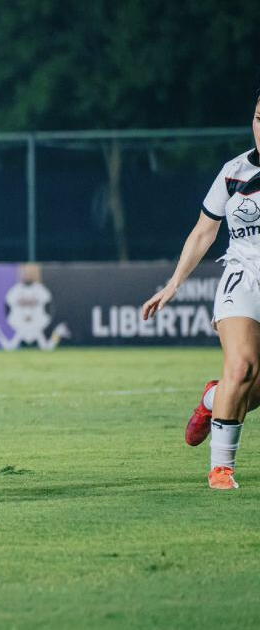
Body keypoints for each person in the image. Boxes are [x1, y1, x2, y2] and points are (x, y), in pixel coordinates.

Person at [142, 92, 260, 490]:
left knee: (244, 385)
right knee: (241, 366)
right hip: (242, 278)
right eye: (259, 118)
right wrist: (174, 283)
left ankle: (213, 399)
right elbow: (204, 230)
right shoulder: (234, 171)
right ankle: (221, 470)